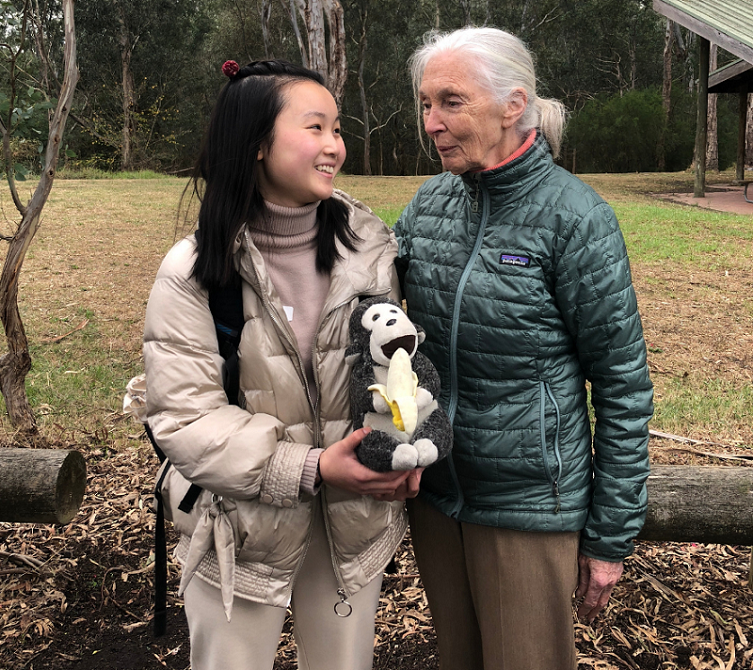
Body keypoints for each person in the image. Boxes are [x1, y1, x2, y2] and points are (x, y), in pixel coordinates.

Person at [142, 59, 420, 670]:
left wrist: (402, 444)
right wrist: (314, 466)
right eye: (315, 127)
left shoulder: (369, 248)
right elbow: (185, 418)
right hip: (235, 526)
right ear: (257, 144)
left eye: (338, 129)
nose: (335, 146)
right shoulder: (194, 272)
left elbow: (389, 371)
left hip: (351, 522)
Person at [393, 27, 654, 670]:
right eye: (426, 104)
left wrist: (611, 536)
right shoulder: (426, 206)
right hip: (436, 493)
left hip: (528, 506)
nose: (432, 122)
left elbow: (622, 382)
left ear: (513, 105)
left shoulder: (575, 218)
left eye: (451, 101)